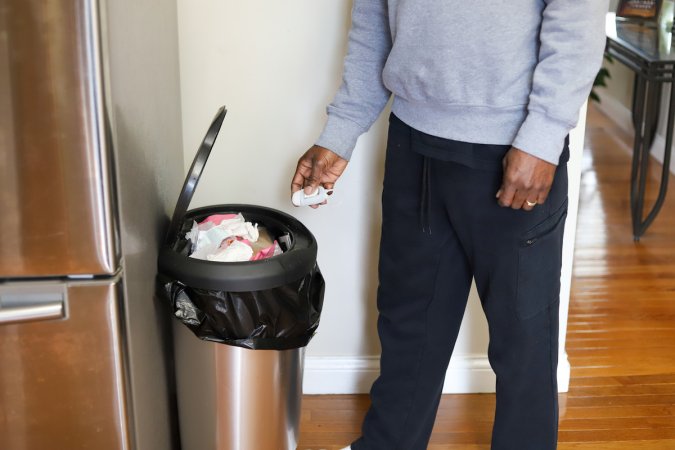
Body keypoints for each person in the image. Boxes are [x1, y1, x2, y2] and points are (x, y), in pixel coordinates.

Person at [291, 2, 608, 449]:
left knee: (524, 338)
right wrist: (339, 131)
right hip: (412, 141)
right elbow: (372, 21)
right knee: (407, 322)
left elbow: (577, 20)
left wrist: (542, 137)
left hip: (513, 150)